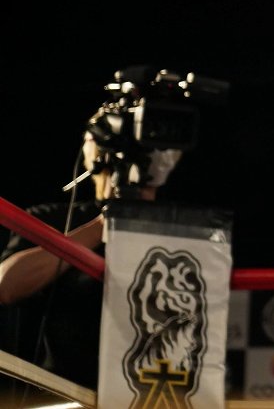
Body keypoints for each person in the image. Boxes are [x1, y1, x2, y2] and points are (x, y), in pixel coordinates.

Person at [0, 132, 181, 389]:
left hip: (150, 391)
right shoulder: (54, 219)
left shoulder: (185, 233)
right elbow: (6, 285)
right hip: (65, 390)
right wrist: (104, 225)